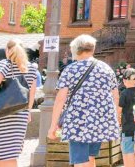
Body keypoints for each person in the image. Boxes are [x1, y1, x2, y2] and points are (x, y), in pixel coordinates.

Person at [48, 35, 121, 167]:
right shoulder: (106, 68)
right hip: (100, 121)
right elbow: (115, 96)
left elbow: (60, 100)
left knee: (81, 161)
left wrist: (53, 125)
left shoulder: (70, 70)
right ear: (92, 49)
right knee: (90, 158)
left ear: (76, 50)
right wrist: (114, 118)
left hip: (78, 121)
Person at [0, 39, 39, 166]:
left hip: (1, 113)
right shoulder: (31, 68)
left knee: (1, 155)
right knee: (8, 153)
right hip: (20, 114)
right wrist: (28, 111)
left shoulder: (3, 65)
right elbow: (31, 93)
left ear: (7, 50)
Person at [118, 69, 135, 167]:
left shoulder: (124, 94)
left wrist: (118, 123)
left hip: (127, 130)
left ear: (125, 80)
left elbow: (119, 111)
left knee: (127, 156)